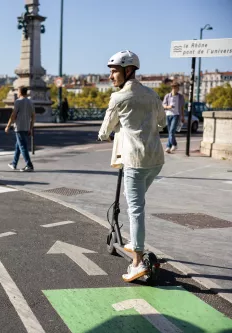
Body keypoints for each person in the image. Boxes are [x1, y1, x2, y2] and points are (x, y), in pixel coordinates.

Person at [98, 51, 165, 282]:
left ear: (128, 71)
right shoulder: (152, 94)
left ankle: (137, 262)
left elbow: (105, 130)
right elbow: (163, 122)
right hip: (156, 160)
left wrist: (107, 134)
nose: (110, 76)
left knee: (135, 209)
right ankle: (134, 244)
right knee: (133, 199)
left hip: (135, 161)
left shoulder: (119, 98)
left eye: (114, 71)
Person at [6, 87, 35, 172]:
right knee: (18, 146)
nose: (17, 93)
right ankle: (14, 164)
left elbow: (13, 115)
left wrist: (8, 126)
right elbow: (33, 116)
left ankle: (29, 165)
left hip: (19, 127)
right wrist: (31, 128)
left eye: (18, 92)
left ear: (20, 92)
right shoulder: (30, 102)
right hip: (26, 127)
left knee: (22, 147)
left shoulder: (18, 102)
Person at [162, 81, 185, 153]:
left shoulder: (180, 97)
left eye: (178, 87)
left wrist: (182, 117)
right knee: (170, 132)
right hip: (168, 114)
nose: (177, 89)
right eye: (176, 87)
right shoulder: (167, 96)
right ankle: (169, 146)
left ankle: (174, 144)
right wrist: (169, 107)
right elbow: (163, 105)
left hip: (176, 115)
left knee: (171, 131)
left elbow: (182, 108)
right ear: (173, 87)